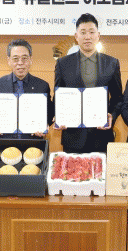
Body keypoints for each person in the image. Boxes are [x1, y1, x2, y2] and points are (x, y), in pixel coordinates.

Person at [53, 13, 123, 153]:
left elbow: (118, 98)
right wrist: (58, 115)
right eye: (83, 32)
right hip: (72, 136)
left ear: (98, 35)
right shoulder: (63, 63)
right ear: (76, 36)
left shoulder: (111, 63)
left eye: (92, 32)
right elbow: (58, 96)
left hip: (101, 135)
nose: (87, 37)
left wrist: (111, 115)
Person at [0, 39, 53, 138]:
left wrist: (44, 125)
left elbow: (49, 111)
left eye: (24, 58)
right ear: (9, 61)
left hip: (33, 141)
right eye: (15, 59)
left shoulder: (42, 85)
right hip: (5, 140)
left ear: (30, 60)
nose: (20, 63)